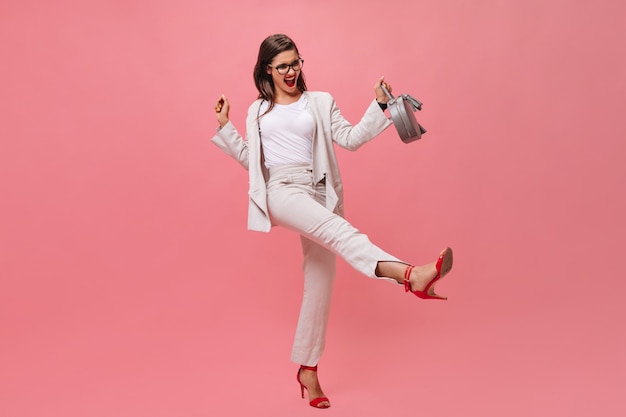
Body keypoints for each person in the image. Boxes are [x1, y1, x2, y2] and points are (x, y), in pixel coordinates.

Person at [211, 33, 454, 409]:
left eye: (296, 62)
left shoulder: (320, 102)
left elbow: (352, 138)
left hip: (317, 190)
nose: (291, 71)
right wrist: (226, 127)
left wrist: (379, 105)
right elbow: (252, 162)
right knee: (340, 232)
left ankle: (308, 369)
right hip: (281, 190)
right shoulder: (257, 111)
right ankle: (410, 276)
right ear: (266, 70)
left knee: (320, 280)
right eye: (282, 66)